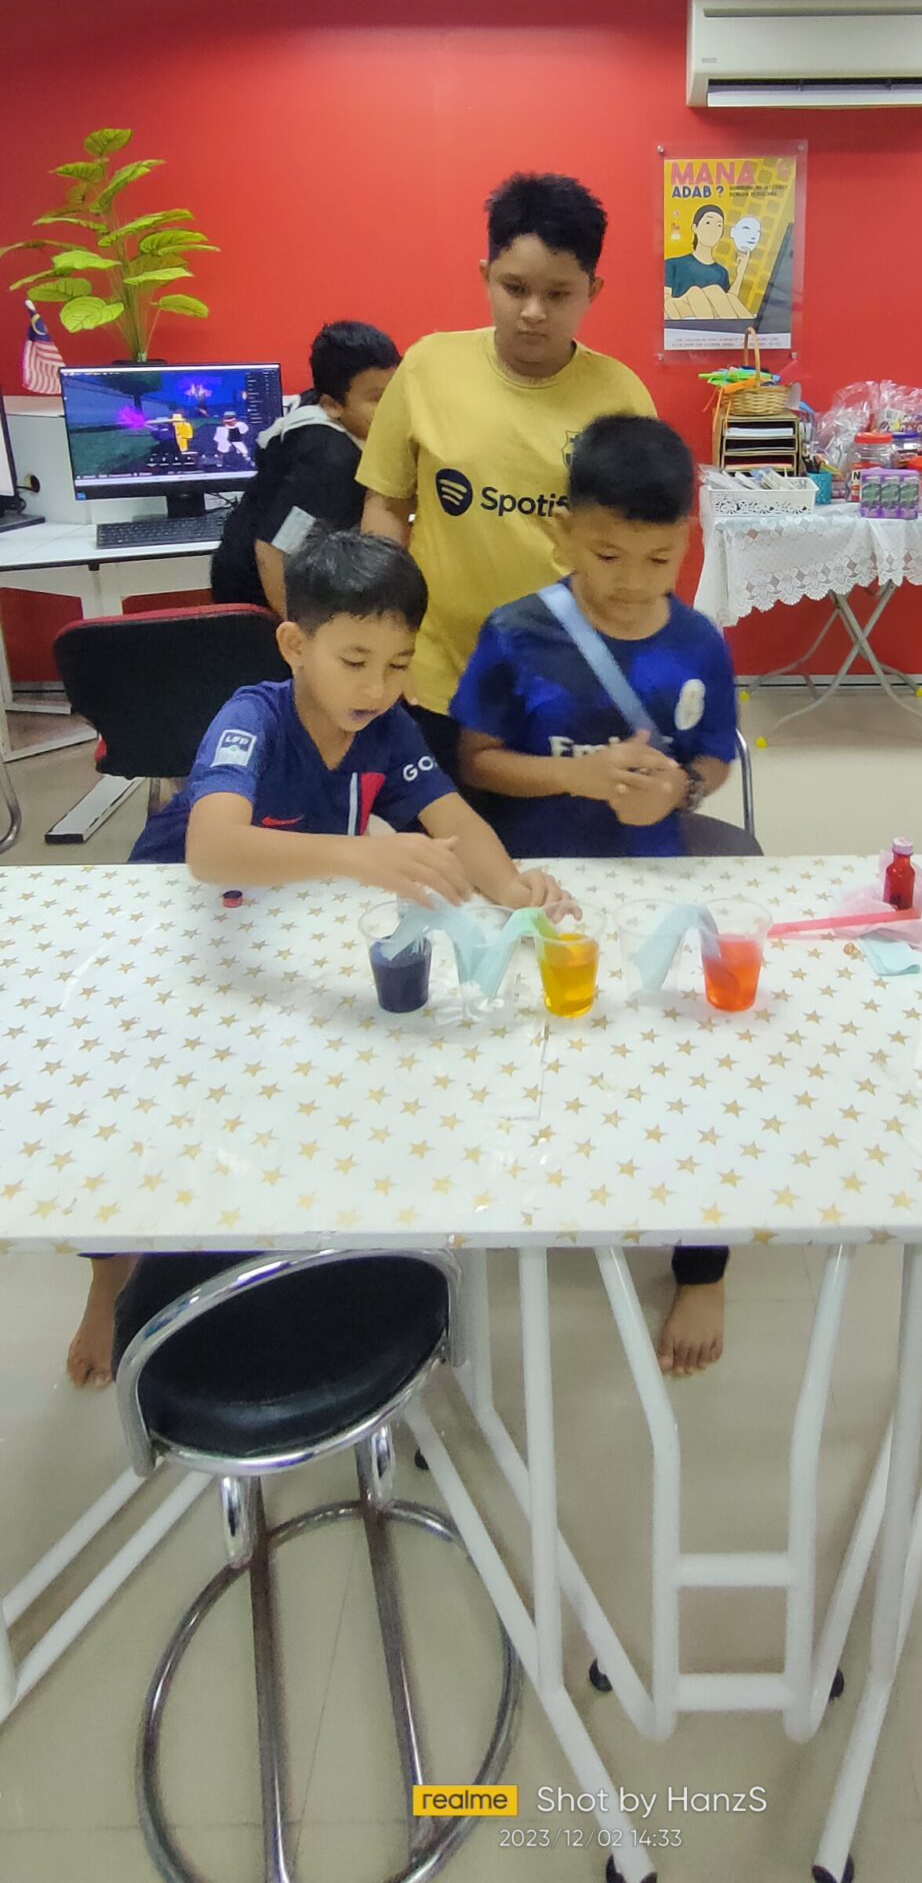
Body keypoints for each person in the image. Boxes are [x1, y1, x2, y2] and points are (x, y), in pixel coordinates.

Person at [66, 529, 572, 1391]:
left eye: (398, 664)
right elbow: (212, 850)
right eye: (354, 661)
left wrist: (514, 891)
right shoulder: (253, 717)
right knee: (157, 1096)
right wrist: (362, 855)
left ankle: (292, 1220)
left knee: (294, 1079)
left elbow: (455, 821)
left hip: (285, 928)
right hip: (183, 921)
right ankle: (110, 1269)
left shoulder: (387, 727)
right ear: (295, 645)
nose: (376, 688)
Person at [452, 414, 761, 1379]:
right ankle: (530, 1186)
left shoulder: (698, 640)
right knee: (532, 1050)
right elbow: (475, 763)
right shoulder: (516, 632)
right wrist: (574, 778)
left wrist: (683, 789)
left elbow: (712, 756)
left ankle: (702, 1264)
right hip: (538, 884)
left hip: (653, 880)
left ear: (688, 541)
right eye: (606, 554)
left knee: (689, 1073)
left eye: (658, 558)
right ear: (563, 533)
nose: (631, 581)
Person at [358, 173, 654, 788]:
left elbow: (641, 548)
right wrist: (385, 644)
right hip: (436, 678)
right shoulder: (427, 368)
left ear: (593, 290)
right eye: (514, 287)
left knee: (556, 843)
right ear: (485, 274)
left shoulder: (622, 398)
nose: (533, 312)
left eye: (558, 293)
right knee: (446, 842)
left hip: (567, 680)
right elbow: (386, 506)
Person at [212, 321, 399, 614]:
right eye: (376, 400)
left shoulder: (325, 408)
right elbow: (274, 549)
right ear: (332, 405)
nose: (393, 411)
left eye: (396, 395)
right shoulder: (328, 461)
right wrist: (296, 629)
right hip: (257, 601)